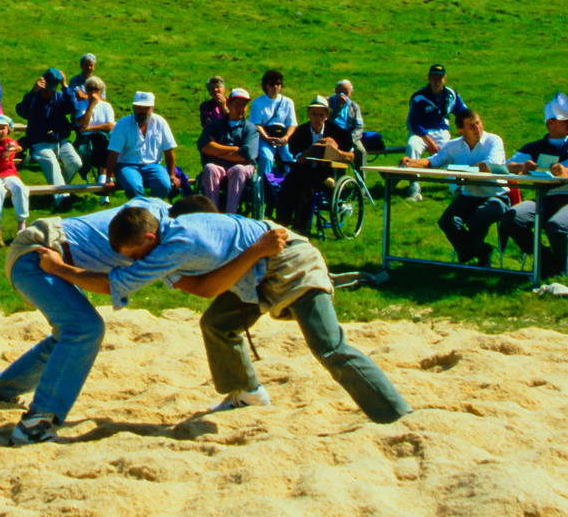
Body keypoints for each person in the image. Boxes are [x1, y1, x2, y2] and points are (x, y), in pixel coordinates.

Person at [150, 197, 409, 422]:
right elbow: (212, 283)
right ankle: (248, 393)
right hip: (257, 276)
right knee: (217, 324)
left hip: (295, 266)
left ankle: (397, 414)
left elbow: (209, 287)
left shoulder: (222, 235)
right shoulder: (201, 240)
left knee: (330, 347)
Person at [0, 196, 173, 444]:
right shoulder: (165, 236)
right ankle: (36, 424)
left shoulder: (156, 210)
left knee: (69, 334)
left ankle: (2, 390)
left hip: (41, 249)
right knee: (84, 329)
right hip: (36, 254)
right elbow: (111, 285)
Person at [400, 107, 508, 267]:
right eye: (471, 125)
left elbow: (489, 165)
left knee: (477, 220)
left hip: (496, 195)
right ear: (461, 130)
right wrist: (412, 162)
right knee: (447, 222)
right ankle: (481, 250)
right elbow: (434, 161)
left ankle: (472, 253)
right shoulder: (453, 145)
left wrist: (462, 171)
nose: (477, 128)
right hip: (469, 194)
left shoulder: (493, 140)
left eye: (478, 123)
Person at [498, 93, 568, 276]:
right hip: (546, 197)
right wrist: (523, 166)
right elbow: (506, 166)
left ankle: (561, 265)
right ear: (549, 123)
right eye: (564, 120)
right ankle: (545, 258)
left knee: (556, 225)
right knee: (511, 219)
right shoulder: (535, 147)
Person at [272, 97, 357, 233]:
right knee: (287, 185)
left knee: (308, 185)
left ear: (327, 116)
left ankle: (300, 226)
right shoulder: (301, 132)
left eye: (321, 115)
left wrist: (334, 151)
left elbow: (351, 155)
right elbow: (298, 157)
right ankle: (281, 223)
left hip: (326, 173)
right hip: (302, 170)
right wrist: (314, 148)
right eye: (314, 114)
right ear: (309, 114)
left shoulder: (337, 132)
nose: (317, 118)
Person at [16, 68, 82, 206]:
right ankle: (62, 200)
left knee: (75, 162)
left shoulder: (60, 96)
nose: (49, 93)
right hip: (39, 143)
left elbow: (73, 107)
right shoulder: (34, 97)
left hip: (60, 140)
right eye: (46, 89)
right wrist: (33, 91)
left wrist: (65, 86)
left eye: (52, 89)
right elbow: (21, 111)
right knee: (52, 162)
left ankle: (56, 191)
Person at [404, 65, 466, 201]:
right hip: (421, 133)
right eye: (433, 78)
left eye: (439, 78)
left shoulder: (451, 95)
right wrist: (429, 142)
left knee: (449, 152)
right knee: (412, 146)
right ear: (429, 78)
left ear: (444, 79)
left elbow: (463, 113)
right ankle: (414, 187)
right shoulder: (419, 96)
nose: (436, 81)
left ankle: (458, 190)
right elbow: (413, 123)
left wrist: (466, 130)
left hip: (441, 132)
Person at [105, 91, 183, 200]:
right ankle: (140, 212)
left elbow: (169, 151)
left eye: (146, 108)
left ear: (153, 108)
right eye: (139, 107)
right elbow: (113, 153)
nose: (142, 111)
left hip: (153, 165)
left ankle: (150, 211)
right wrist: (109, 178)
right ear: (133, 107)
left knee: (164, 185)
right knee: (134, 187)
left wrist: (172, 175)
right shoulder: (123, 123)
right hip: (127, 165)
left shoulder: (160, 122)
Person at [197, 87, 260, 214]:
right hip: (217, 166)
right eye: (237, 104)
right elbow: (205, 147)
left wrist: (217, 152)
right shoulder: (214, 125)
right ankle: (212, 212)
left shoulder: (250, 129)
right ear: (228, 104)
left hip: (243, 167)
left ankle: (231, 213)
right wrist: (234, 149)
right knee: (209, 168)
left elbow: (246, 155)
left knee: (238, 169)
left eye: (244, 105)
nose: (240, 108)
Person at [248, 69, 298, 211]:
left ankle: (288, 187)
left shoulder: (288, 102)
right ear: (266, 85)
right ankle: (265, 190)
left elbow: (292, 123)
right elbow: (256, 124)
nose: (275, 87)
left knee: (290, 158)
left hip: (283, 136)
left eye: (278, 84)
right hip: (265, 136)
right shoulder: (258, 103)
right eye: (272, 84)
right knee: (266, 158)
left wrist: (286, 138)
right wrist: (268, 139)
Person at [0, 114, 29, 245]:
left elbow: (15, 149)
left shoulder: (11, 142)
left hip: (9, 174)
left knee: (20, 188)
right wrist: (6, 155)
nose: (0, 132)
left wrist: (13, 151)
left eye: (3, 128)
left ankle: (22, 228)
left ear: (8, 130)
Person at [328, 79, 367, 167]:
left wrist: (351, 139)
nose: (342, 95)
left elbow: (359, 126)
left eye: (346, 92)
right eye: (339, 92)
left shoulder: (354, 106)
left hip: (348, 135)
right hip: (330, 134)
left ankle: (361, 179)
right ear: (335, 91)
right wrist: (339, 106)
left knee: (361, 151)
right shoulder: (328, 102)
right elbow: (327, 121)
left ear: (350, 94)